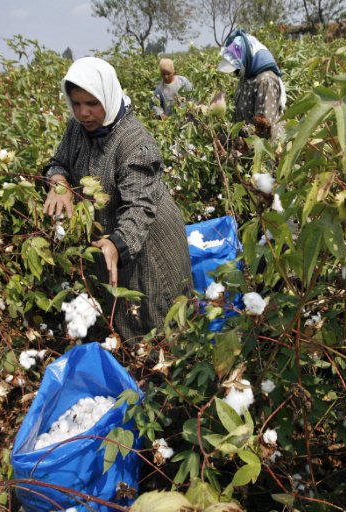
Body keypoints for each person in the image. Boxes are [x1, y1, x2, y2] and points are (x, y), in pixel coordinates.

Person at [42, 57, 193, 341]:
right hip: (109, 240)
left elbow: (139, 207)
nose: (83, 112)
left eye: (92, 103)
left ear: (108, 96)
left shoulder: (135, 143)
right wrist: (59, 183)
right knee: (124, 312)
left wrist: (118, 243)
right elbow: (59, 162)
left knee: (159, 316)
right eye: (76, 103)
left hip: (149, 241)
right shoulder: (77, 128)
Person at [217, 29, 286, 139]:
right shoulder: (246, 76)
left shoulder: (265, 81)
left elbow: (263, 126)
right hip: (246, 144)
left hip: (267, 146)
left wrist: (234, 134)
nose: (235, 73)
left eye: (236, 68)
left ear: (247, 59)